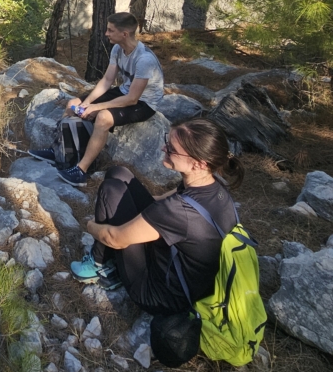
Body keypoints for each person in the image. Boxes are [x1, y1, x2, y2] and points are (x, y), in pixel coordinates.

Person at [70, 118, 243, 311]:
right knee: (119, 173)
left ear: (198, 164)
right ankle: (105, 259)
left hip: (158, 295)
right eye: (167, 141)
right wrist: (134, 203)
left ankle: (101, 264)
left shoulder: (178, 211)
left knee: (112, 190)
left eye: (171, 149)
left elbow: (114, 238)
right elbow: (166, 197)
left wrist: (91, 225)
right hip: (177, 265)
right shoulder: (214, 184)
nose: (163, 148)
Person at [32, 11, 164, 186]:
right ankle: (58, 150)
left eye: (110, 30)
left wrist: (96, 108)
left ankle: (81, 170)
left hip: (144, 102)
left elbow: (133, 99)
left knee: (103, 118)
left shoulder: (144, 59)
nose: (106, 33)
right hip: (124, 92)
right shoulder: (118, 49)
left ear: (124, 34)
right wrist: (86, 103)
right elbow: (107, 80)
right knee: (73, 104)